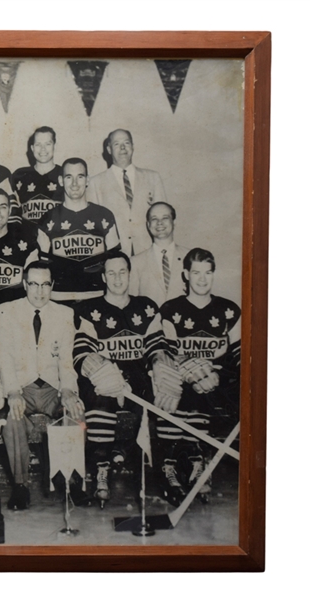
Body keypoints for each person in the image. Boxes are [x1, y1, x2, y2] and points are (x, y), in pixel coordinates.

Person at [72, 252, 168, 507]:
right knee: (100, 397)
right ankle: (101, 469)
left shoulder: (146, 307)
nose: (117, 278)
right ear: (103, 277)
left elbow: (156, 347)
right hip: (106, 378)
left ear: (130, 273)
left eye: (122, 271)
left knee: (159, 397)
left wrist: (159, 363)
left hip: (138, 379)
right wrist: (99, 368)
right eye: (111, 273)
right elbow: (82, 352)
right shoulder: (89, 309)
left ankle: (162, 471)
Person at [0, 261, 83, 510]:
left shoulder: (65, 315)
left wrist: (68, 391)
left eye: (45, 285)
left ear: (52, 285)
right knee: (13, 417)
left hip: (54, 387)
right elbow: (5, 358)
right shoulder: (6, 312)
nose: (39, 291)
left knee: (75, 412)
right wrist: (12, 391)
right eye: (33, 284)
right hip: (22, 387)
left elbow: (66, 359)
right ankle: (21, 486)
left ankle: (71, 480)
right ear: (24, 285)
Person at [155, 248, 240, 506]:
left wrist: (215, 372)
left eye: (208, 273)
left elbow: (239, 353)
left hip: (216, 381)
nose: (202, 279)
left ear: (213, 274)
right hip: (184, 377)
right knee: (178, 389)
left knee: (206, 387)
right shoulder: (171, 309)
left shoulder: (229, 310)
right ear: (185, 275)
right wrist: (188, 368)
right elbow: (168, 353)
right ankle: (174, 465)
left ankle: (194, 460)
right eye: (196, 273)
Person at [37, 158, 121, 303]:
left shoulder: (104, 216)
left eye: (80, 177)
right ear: (61, 181)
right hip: (59, 298)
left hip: (97, 297)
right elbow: (43, 265)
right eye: (69, 177)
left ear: (87, 180)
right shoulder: (48, 218)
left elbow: (116, 261)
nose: (75, 184)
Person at [85, 129, 168, 256]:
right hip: (115, 257)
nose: (122, 147)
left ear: (133, 147)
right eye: (116, 144)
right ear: (109, 149)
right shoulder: (95, 183)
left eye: (127, 143)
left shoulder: (153, 178)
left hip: (149, 253)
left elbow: (163, 219)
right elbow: (94, 228)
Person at [130, 202, 190, 306]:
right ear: (148, 225)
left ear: (174, 222)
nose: (159, 223)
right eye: (154, 219)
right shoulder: (135, 262)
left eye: (165, 218)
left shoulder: (190, 257)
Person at [11, 126, 65, 226]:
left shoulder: (65, 174)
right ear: (32, 148)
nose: (43, 149)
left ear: (55, 146)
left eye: (48, 144)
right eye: (38, 145)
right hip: (27, 237)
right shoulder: (19, 175)